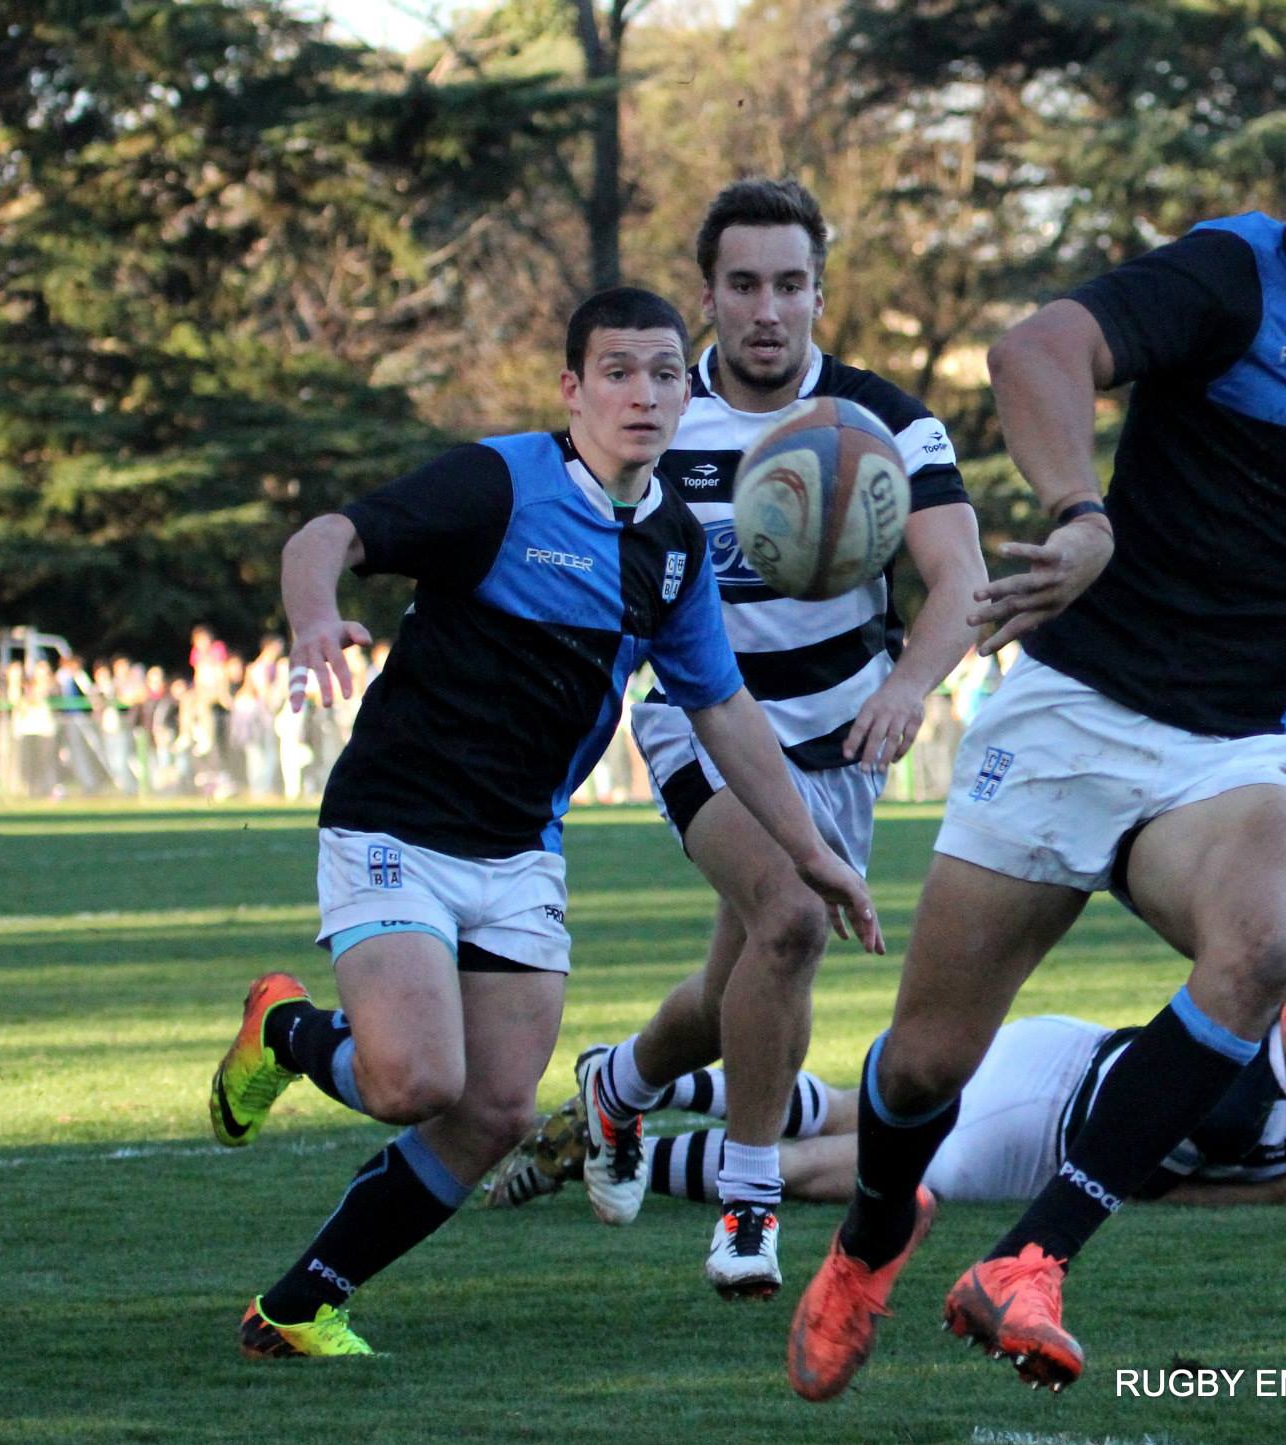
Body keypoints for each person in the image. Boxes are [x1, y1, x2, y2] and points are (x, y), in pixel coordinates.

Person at [784, 53, 1286, 1401]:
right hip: (1074, 709)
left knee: (1268, 941)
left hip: (1233, 748)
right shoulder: (1232, 276)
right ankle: (877, 1231)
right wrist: (1080, 513)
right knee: (929, 1057)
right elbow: (1037, 349)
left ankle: (1032, 1260)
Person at [205, 285, 883, 1360]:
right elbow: (326, 534)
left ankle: (297, 1304)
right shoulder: (499, 483)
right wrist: (312, 616)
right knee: (412, 1081)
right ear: (572, 387)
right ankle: (285, 1028)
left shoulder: (670, 545)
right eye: (617, 371)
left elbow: (721, 706)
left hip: (521, 845)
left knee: (495, 1113)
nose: (644, 393)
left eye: (666, 373)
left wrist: (811, 855)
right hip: (398, 820)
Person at [563, 180, 984, 1301]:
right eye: (742, 284)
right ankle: (748, 1207)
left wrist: (905, 686)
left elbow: (960, 577)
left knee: (734, 983)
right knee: (791, 920)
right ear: (706, 293)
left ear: (817, 291)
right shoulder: (653, 413)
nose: (767, 309)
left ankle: (620, 1081)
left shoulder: (882, 417)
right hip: (699, 716)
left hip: (843, 728)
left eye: (790, 284)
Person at [491, 935, 1286, 1213]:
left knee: (862, 1107)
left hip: (1065, 1045)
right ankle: (630, 1155)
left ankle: (629, 1086)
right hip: (1040, 1121)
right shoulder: (1229, 1092)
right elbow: (1150, 1191)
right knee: (858, 1166)